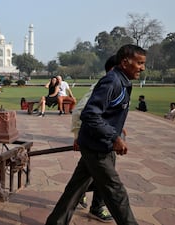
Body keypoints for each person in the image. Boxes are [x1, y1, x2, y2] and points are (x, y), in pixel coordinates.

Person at [46, 44, 146, 225]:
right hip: (97, 147)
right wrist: (114, 137)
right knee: (117, 193)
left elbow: (106, 114)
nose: (142, 68)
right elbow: (89, 114)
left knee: (75, 190)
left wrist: (116, 132)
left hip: (97, 144)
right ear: (125, 62)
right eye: (139, 63)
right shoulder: (112, 81)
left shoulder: (121, 81)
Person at [70, 55, 117, 223]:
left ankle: (83, 198)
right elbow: (79, 111)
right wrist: (77, 135)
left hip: (103, 141)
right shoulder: (107, 85)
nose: (141, 68)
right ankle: (96, 207)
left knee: (91, 176)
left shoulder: (116, 84)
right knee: (107, 180)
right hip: (96, 142)